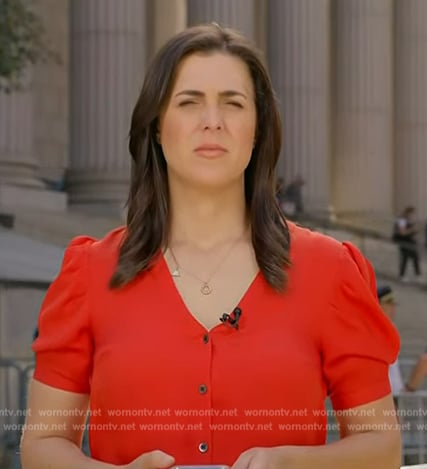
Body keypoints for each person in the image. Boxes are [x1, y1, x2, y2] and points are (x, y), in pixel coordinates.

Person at [20, 23, 401, 469]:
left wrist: (291, 463)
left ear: (257, 131)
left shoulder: (329, 270)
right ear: (157, 127)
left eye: (233, 104)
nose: (213, 121)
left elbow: (382, 446)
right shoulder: (90, 272)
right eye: (189, 102)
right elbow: (42, 444)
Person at [376, 285, 404, 405]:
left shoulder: (388, 329)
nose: (392, 307)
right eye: (388, 303)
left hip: (392, 395)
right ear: (378, 304)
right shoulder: (377, 330)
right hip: (383, 397)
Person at [393, 206, 422, 282]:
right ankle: (403, 275)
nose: (413, 216)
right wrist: (412, 229)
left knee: (413, 257)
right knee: (406, 258)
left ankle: (416, 274)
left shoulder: (407, 221)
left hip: (408, 242)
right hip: (404, 242)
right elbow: (402, 232)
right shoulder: (402, 220)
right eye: (412, 214)